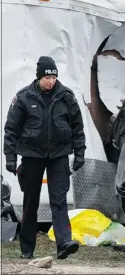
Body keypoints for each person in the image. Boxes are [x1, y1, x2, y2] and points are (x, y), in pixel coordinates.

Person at [3, 56, 86, 259]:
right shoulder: (24, 97)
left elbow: (77, 126)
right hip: (32, 156)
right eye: (47, 77)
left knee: (59, 200)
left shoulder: (66, 96)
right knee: (30, 202)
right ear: (39, 77)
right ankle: (27, 248)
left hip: (59, 155)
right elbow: (11, 129)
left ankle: (64, 243)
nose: (51, 81)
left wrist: (80, 152)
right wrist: (10, 157)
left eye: (54, 77)